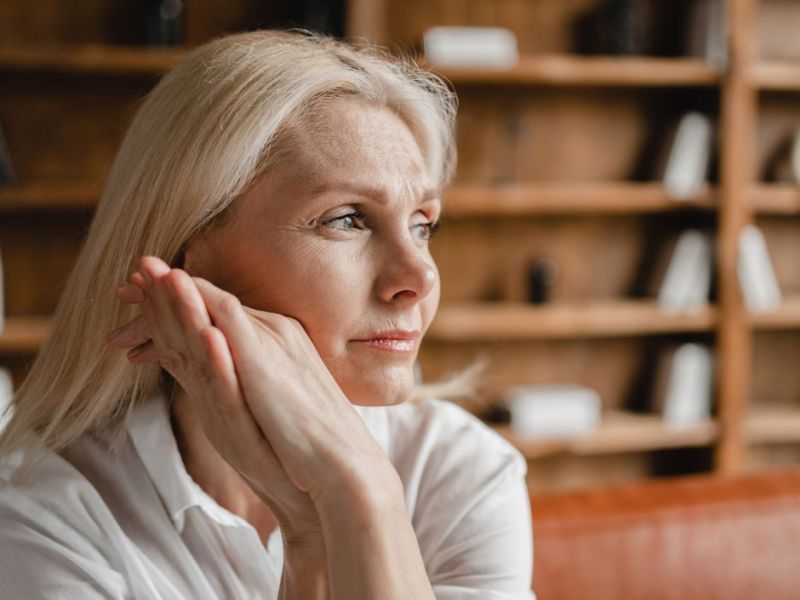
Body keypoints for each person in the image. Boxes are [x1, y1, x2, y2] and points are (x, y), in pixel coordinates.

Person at [0, 30, 534, 599]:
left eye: (422, 224)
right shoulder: (41, 514)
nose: (420, 277)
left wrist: (357, 492)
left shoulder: (463, 471)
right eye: (347, 219)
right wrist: (325, 517)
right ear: (186, 259)